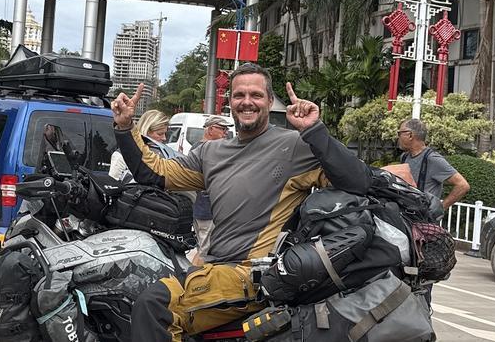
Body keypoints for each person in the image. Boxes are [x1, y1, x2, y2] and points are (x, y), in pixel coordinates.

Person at [111, 63, 371, 341]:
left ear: (270, 102)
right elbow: (155, 173)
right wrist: (125, 127)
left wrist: (314, 130)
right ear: (230, 102)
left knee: (155, 306)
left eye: (256, 95)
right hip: (213, 269)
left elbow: (357, 181)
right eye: (239, 95)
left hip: (252, 274)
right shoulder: (210, 153)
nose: (247, 102)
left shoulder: (295, 145)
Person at [397, 117, 470, 209]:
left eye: (399, 133)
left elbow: (463, 185)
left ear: (410, 135)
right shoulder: (404, 157)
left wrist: (440, 209)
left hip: (423, 216)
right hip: (406, 213)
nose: (398, 137)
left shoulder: (432, 159)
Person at [189, 115, 231, 265]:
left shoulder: (197, 147)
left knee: (204, 247)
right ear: (211, 129)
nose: (226, 133)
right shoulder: (204, 149)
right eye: (223, 129)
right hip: (206, 208)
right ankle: (193, 276)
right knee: (205, 250)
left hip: (203, 207)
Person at [108, 109, 177, 182]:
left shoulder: (165, 155)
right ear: (146, 131)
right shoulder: (121, 156)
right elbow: (112, 185)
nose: (164, 138)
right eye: (160, 134)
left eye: (165, 134)